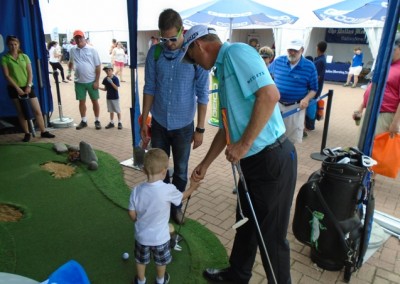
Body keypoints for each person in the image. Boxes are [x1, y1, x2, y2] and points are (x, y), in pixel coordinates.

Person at [181, 25, 297, 284]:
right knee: (246, 222)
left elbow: (269, 95)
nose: (194, 64)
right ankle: (237, 275)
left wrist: (243, 145)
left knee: (272, 239)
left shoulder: (235, 52)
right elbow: (226, 126)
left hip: (271, 159)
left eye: (191, 56)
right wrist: (205, 164)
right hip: (254, 162)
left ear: (199, 45)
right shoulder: (222, 69)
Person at [141, 9, 210, 225]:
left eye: (173, 38)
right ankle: (162, 205)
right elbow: (149, 87)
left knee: (181, 170)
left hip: (183, 126)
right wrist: (144, 120)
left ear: (182, 30)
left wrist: (200, 129)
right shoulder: (155, 53)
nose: (169, 43)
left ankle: (176, 207)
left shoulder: (194, 54)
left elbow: (203, 93)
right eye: (164, 38)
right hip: (160, 122)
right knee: (159, 168)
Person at [128, 148, 199, 284]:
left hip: (141, 237)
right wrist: (193, 188)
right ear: (164, 171)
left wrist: (137, 220)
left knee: (140, 260)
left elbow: (131, 213)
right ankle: (161, 280)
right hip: (161, 238)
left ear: (143, 170)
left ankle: (141, 280)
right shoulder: (168, 190)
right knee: (161, 262)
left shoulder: (136, 191)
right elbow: (182, 197)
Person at [1, 35, 55, 142]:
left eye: (15, 44)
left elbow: (30, 72)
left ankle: (43, 131)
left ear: (18, 44)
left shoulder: (24, 56)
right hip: (14, 89)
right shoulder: (5, 58)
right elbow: (7, 75)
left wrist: (28, 86)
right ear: (8, 45)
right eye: (11, 44)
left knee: (37, 110)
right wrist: (18, 89)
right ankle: (27, 133)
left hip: (28, 87)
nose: (13, 46)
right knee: (21, 112)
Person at [269, 39, 318, 144]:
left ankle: (288, 158)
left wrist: (306, 99)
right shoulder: (278, 61)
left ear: (302, 50)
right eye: (290, 49)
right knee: (273, 136)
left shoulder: (309, 66)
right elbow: (267, 75)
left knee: (291, 140)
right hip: (277, 105)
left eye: (295, 50)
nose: (292, 52)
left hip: (295, 107)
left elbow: (314, 89)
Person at [353, 36, 400, 138]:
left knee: (375, 148)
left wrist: (395, 123)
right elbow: (373, 88)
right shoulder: (385, 65)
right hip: (371, 111)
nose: (390, 52)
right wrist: (361, 108)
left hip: (385, 115)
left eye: (394, 49)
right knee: (361, 144)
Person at [67, 30, 102, 130]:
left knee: (95, 101)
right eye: (76, 38)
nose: (78, 39)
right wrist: (69, 73)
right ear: (74, 39)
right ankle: (84, 120)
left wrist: (97, 81)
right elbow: (70, 62)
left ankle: (97, 120)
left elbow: (98, 66)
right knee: (81, 102)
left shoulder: (92, 50)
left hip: (91, 81)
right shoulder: (72, 50)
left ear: (84, 37)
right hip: (79, 82)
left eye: (80, 37)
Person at [305, 41, 327, 132]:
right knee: (311, 105)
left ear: (317, 48)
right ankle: (310, 124)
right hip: (316, 87)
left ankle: (310, 126)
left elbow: (316, 77)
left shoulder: (320, 61)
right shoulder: (321, 59)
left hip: (314, 88)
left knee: (311, 107)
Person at [99, 64, 122, 130]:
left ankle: (119, 122)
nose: (108, 72)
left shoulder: (115, 78)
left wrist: (111, 82)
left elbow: (116, 88)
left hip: (115, 97)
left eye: (109, 70)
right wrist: (98, 87)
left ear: (112, 70)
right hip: (109, 97)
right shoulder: (105, 79)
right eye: (106, 71)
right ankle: (112, 122)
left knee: (117, 110)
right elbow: (105, 89)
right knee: (111, 110)